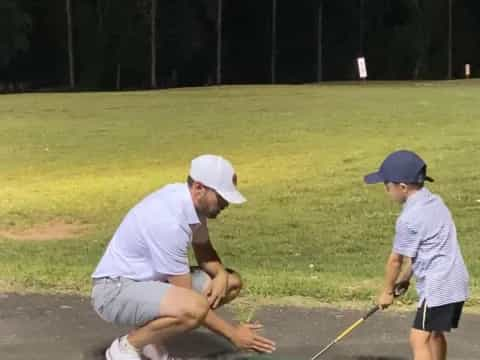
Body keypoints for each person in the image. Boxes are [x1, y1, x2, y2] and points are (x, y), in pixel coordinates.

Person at [91, 154, 276, 360]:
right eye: (222, 196)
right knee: (193, 308)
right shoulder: (169, 221)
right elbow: (189, 301)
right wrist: (234, 335)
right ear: (199, 188)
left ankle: (151, 341)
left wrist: (221, 274)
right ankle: (126, 347)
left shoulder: (192, 206)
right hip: (114, 291)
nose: (226, 203)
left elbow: (203, 249)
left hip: (148, 283)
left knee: (230, 283)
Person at [364, 150, 469, 360]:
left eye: (387, 185)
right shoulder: (436, 202)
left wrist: (386, 292)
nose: (386, 191)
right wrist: (404, 279)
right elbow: (425, 248)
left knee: (418, 340)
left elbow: (395, 260)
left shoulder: (408, 219)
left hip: (437, 286)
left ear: (402, 187)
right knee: (435, 335)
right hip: (456, 281)